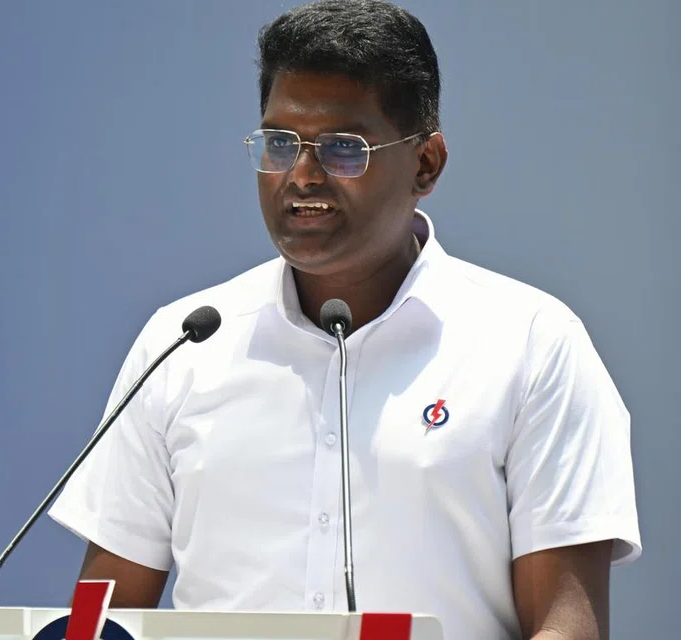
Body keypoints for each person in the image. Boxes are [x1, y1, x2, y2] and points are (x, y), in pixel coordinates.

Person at [48, 1, 641, 638]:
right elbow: (100, 619)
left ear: (426, 164)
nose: (301, 176)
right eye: (280, 144)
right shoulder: (184, 345)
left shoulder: (531, 344)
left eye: (342, 149)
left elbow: (566, 625)